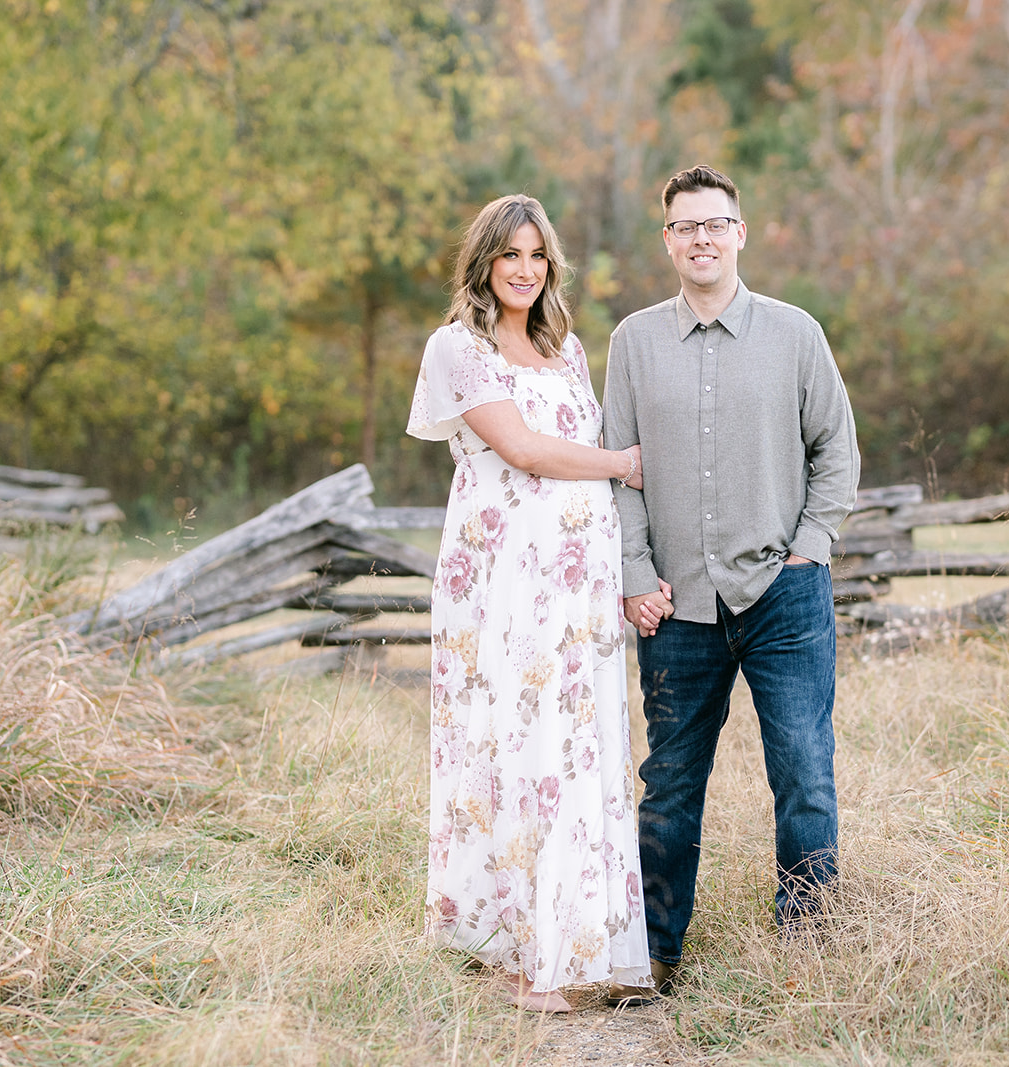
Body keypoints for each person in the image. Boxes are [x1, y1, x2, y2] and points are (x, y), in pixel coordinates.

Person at [602, 165, 860, 1004]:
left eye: (716, 223)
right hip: (677, 605)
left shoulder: (795, 334)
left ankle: (810, 945)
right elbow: (621, 475)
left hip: (783, 595)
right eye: (685, 227)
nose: (702, 238)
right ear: (668, 240)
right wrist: (636, 574)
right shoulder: (633, 342)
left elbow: (837, 451)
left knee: (804, 770)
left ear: (741, 232)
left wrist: (810, 547)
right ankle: (655, 953)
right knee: (671, 782)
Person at [406, 194, 655, 1013]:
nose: (523, 269)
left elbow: (572, 451)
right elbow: (518, 449)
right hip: (506, 579)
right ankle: (518, 953)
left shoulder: (567, 347)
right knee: (514, 743)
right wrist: (621, 463)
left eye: (537, 255)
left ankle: (578, 939)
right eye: (508, 254)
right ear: (482, 262)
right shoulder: (459, 348)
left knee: (577, 749)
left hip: (575, 585)